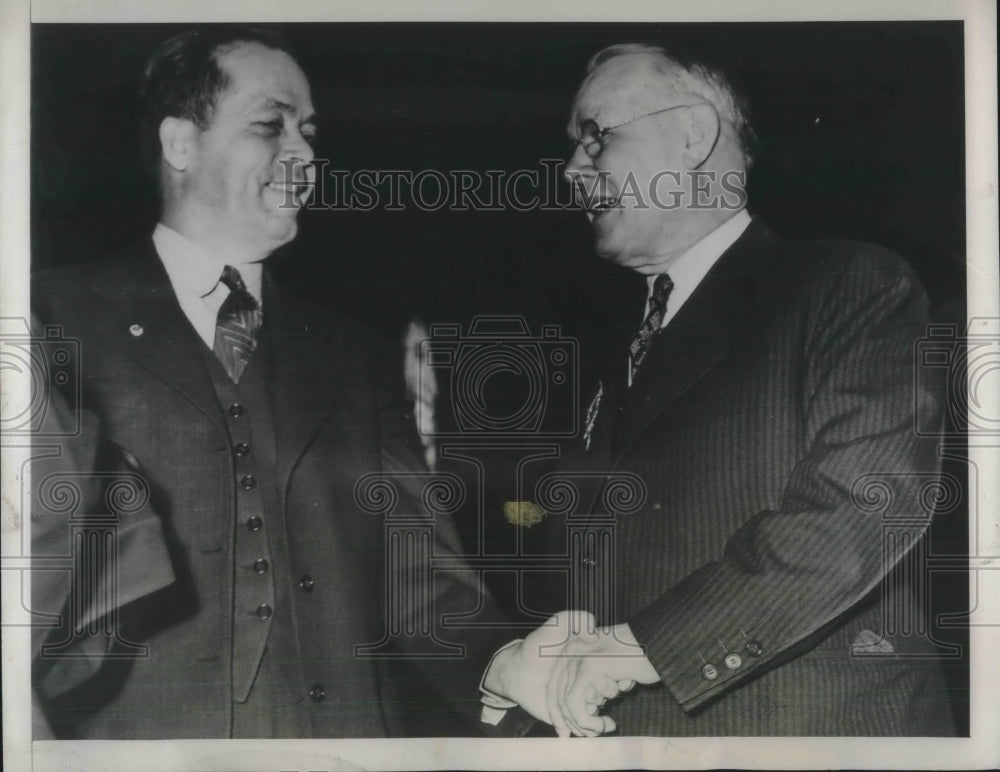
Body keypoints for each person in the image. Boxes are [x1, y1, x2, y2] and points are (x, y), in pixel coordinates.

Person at [30, 25, 576, 739]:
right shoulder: (49, 317)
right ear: (180, 143)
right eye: (270, 124)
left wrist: (505, 663)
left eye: (309, 130)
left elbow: (421, 579)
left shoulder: (354, 354)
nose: (305, 152)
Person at [490, 42, 954, 737]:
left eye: (596, 137)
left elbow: (866, 505)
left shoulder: (849, 285)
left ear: (693, 134)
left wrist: (646, 646)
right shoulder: (609, 351)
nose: (571, 171)